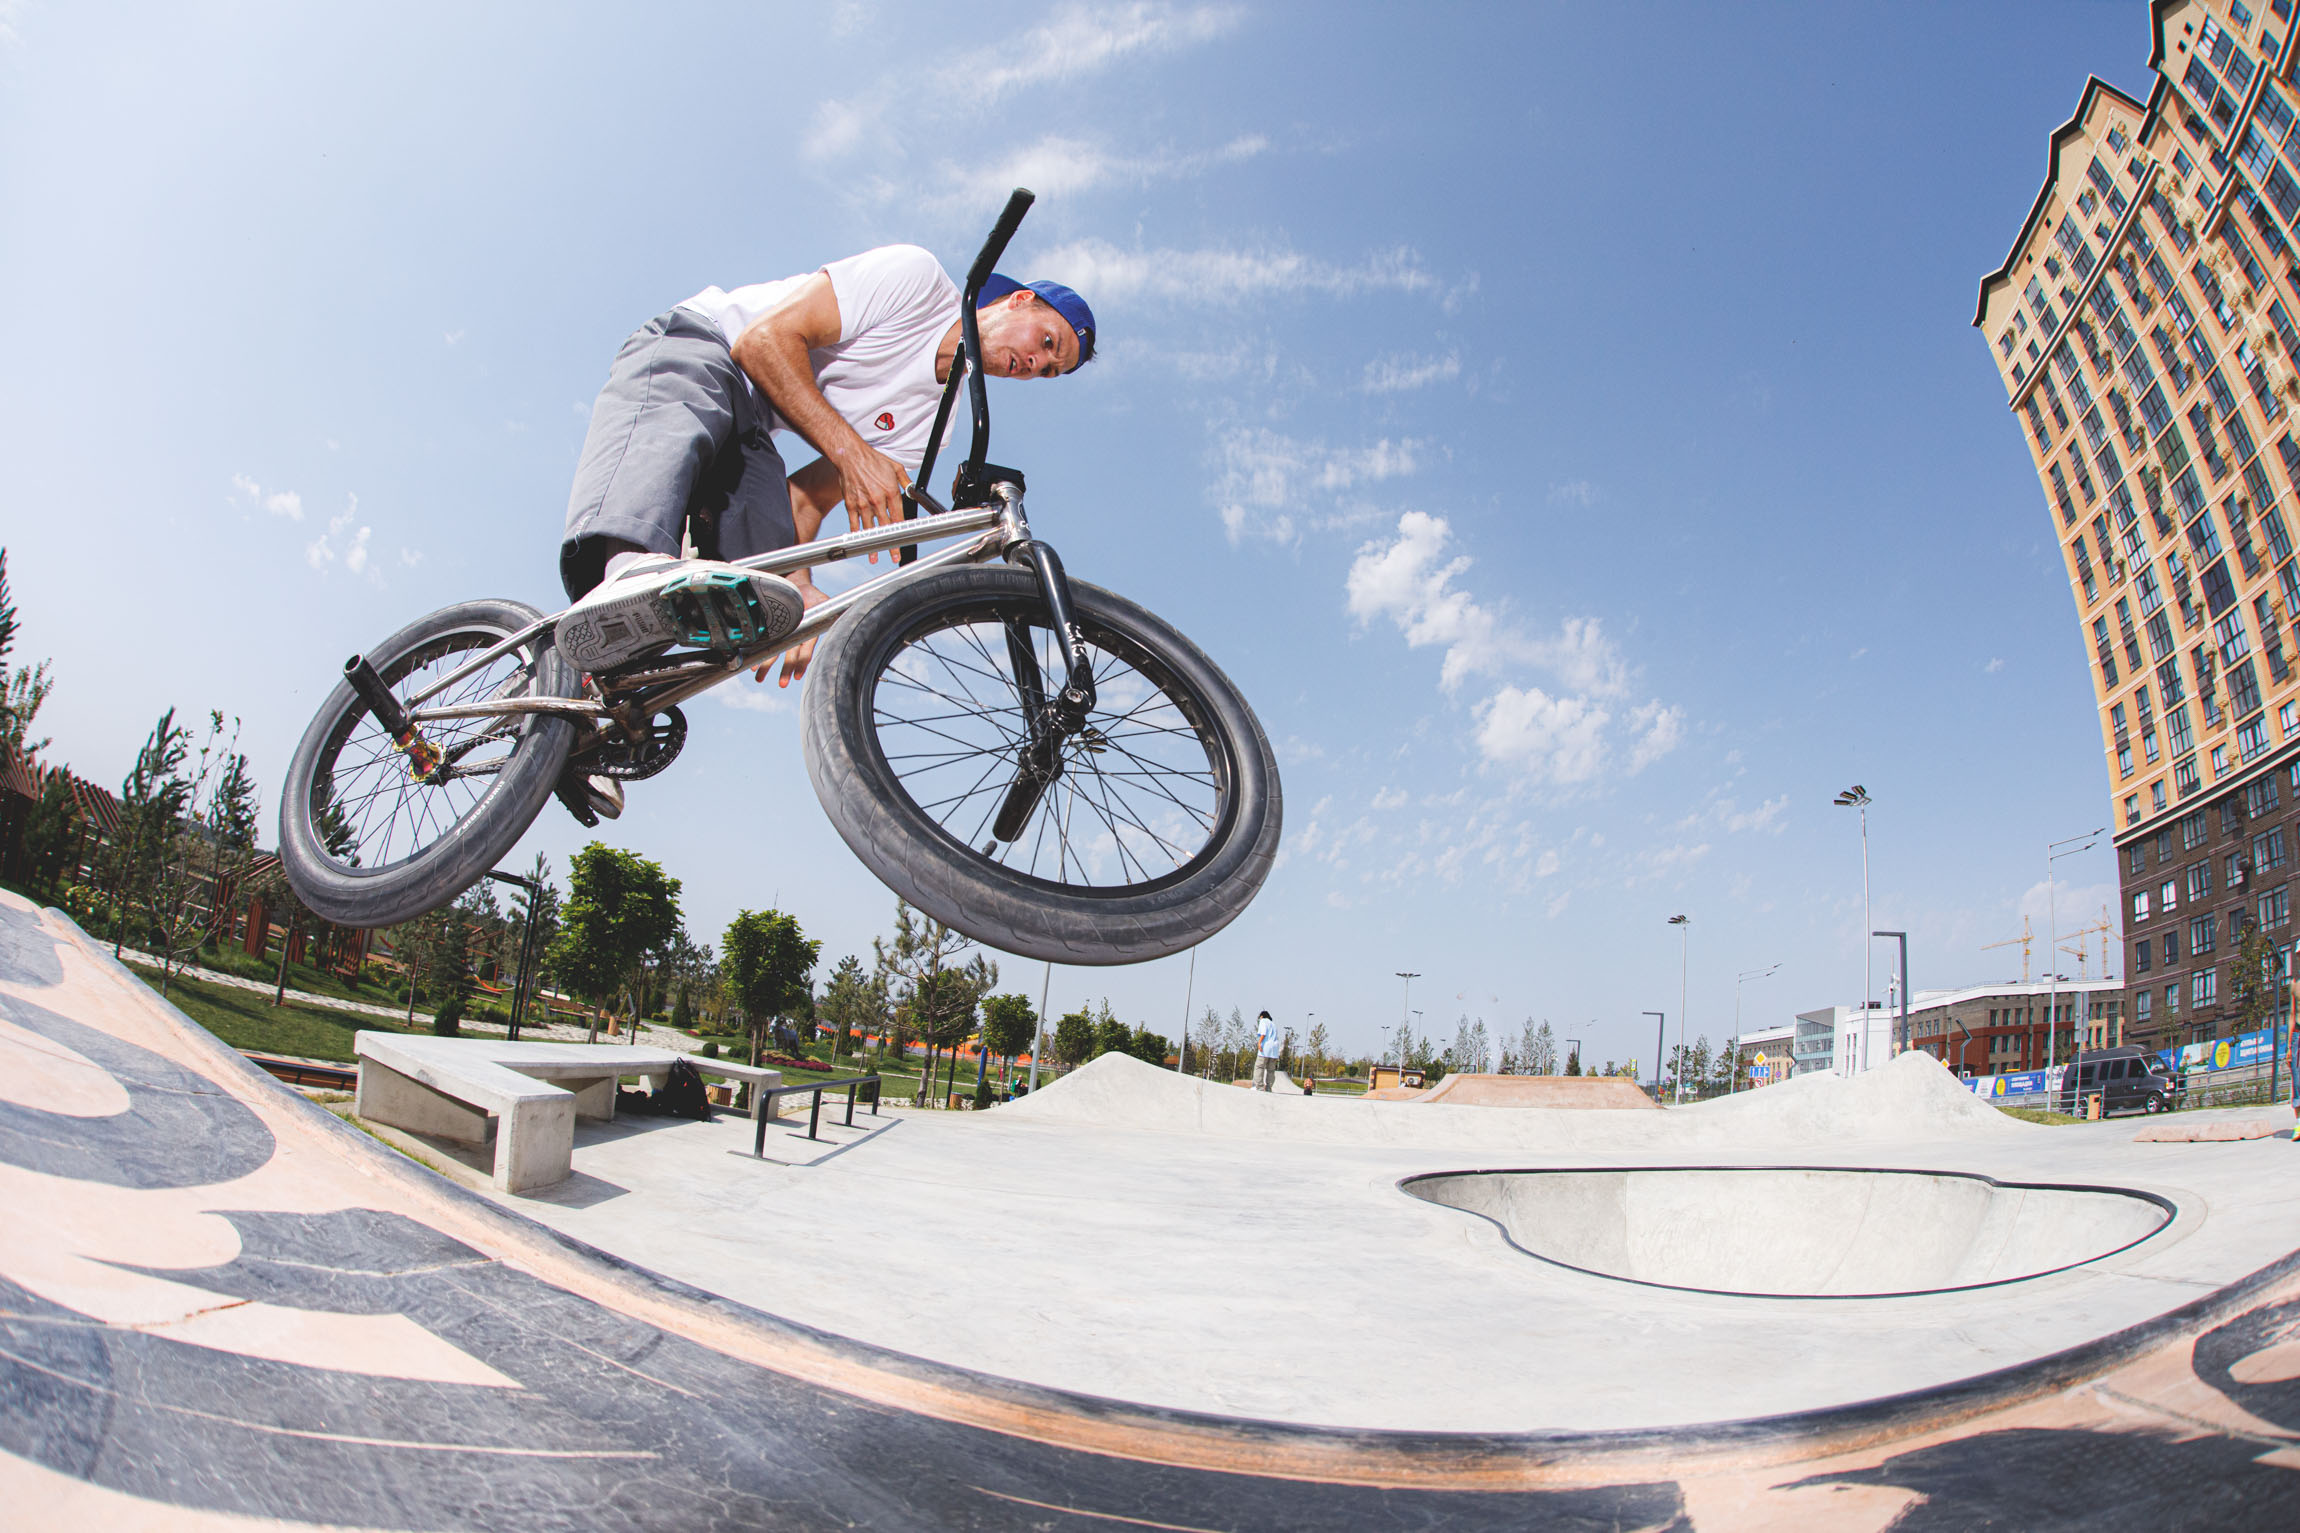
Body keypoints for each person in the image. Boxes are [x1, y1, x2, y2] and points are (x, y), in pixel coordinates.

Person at [552, 245, 1097, 819]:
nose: (1035, 365)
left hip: (752, 433)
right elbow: (761, 343)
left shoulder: (928, 427)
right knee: (684, 414)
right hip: (705, 346)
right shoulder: (916, 280)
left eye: (1048, 371)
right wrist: (853, 453)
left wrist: (802, 585)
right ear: (1020, 300)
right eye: (1046, 343)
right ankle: (624, 566)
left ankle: (592, 712)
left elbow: (801, 504)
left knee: (742, 590)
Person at [1253, 1010, 1281, 1092]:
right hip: (1274, 1049)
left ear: (1262, 1016)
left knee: (1259, 1067)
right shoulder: (1273, 1024)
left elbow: (1263, 1033)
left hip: (1265, 1047)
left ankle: (1260, 1087)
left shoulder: (1263, 1021)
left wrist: (1259, 1043)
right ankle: (1269, 1087)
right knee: (1271, 1070)